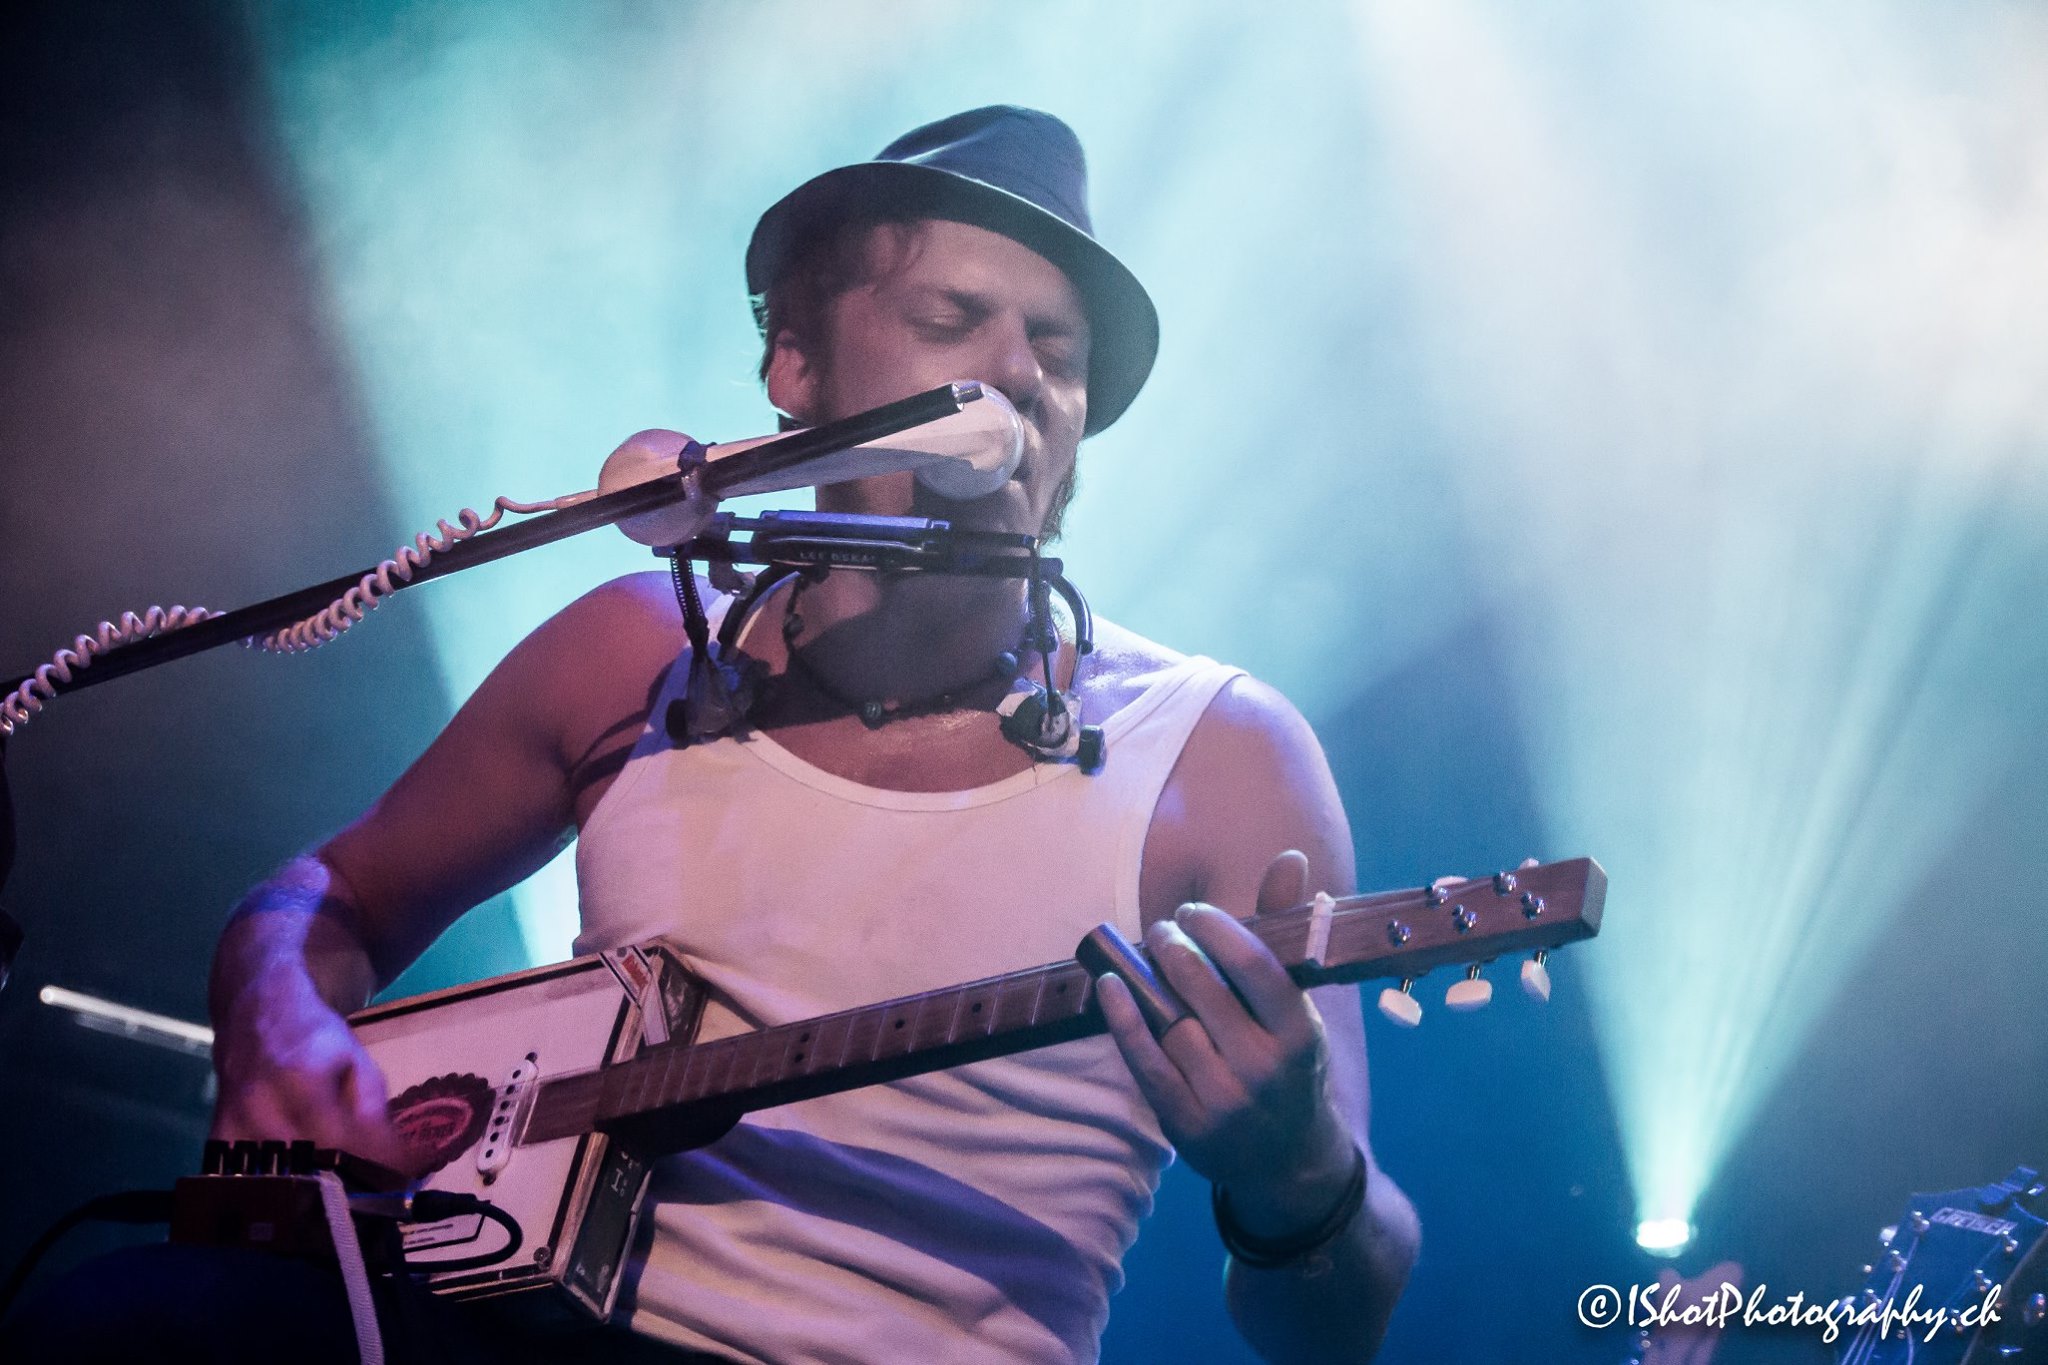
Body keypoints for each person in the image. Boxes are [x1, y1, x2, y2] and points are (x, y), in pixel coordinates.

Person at [25, 107, 1420, 1364]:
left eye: (1058, 352)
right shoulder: (641, 648)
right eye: (955, 319)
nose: (1019, 378)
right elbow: (324, 897)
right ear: (794, 365)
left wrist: (1294, 1174)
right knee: (112, 1321)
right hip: (511, 1327)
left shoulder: (1219, 756)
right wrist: (276, 1018)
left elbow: (1336, 1320)